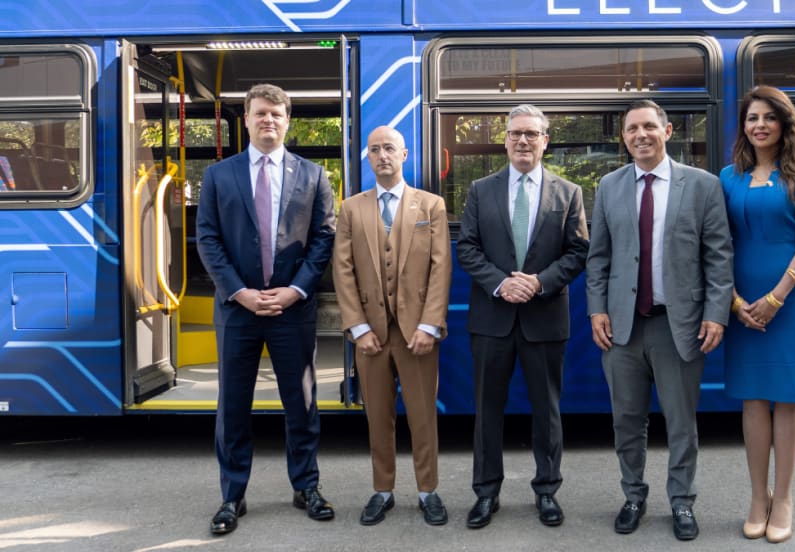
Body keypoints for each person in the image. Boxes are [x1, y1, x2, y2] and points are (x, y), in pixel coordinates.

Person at [585, 99, 733, 540]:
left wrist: (716, 314)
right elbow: (599, 258)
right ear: (624, 137)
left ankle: (682, 502)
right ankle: (633, 495)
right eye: (632, 129)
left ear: (667, 132)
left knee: (681, 421)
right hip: (623, 328)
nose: (640, 135)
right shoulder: (609, 186)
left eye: (649, 126)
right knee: (626, 421)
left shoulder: (703, 186)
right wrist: (597, 309)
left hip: (679, 325)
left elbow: (719, 257)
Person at [197, 83, 337, 535]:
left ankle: (306, 487)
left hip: (292, 310)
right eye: (260, 114)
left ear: (288, 119)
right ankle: (231, 496)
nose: (268, 121)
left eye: (276, 114)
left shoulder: (314, 176)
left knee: (302, 403)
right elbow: (209, 240)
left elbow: (323, 240)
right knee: (233, 406)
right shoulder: (219, 176)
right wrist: (239, 292)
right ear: (248, 118)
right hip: (238, 310)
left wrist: (296, 290)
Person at [456, 104, 589, 529]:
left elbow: (578, 251)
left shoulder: (568, 193)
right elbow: (468, 248)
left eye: (532, 134)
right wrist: (502, 283)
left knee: (546, 411)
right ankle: (486, 493)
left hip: (545, 317)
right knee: (486, 410)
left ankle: (547, 491)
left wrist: (538, 282)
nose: (523, 141)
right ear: (505, 140)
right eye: (515, 134)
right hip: (492, 318)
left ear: (545, 141)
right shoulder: (480, 189)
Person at [721, 85, 795, 544]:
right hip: (741, 304)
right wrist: (735, 301)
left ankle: (783, 498)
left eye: (768, 117)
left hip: (792, 302)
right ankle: (757, 498)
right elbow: (715, 243)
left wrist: (777, 297)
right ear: (743, 127)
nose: (759, 125)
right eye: (751, 118)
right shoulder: (728, 177)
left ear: (785, 123)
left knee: (787, 398)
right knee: (753, 399)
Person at [332, 125, 452, 526]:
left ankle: (427, 491)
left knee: (422, 415)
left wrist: (430, 325)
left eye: (389, 148)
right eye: (374, 149)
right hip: (371, 334)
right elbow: (343, 271)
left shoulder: (430, 205)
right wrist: (358, 327)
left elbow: (440, 268)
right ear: (368, 158)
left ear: (404, 155)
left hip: (418, 333)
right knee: (377, 416)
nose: (382, 154)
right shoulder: (351, 208)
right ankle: (382, 490)